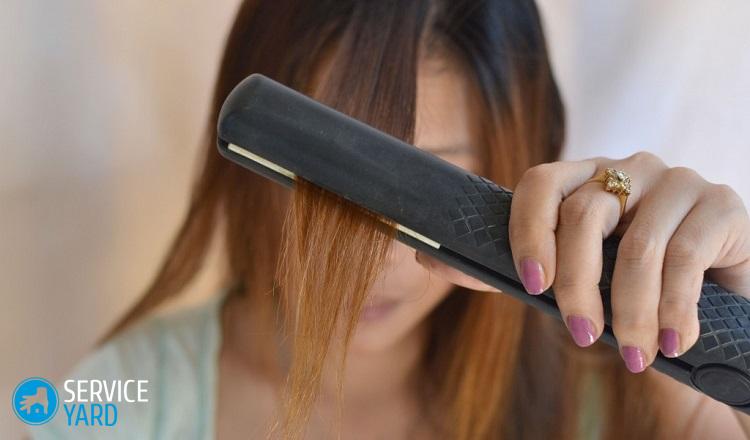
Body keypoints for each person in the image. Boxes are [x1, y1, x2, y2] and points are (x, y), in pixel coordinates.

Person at [31, 0, 750, 438]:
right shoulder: (118, 403)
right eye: (322, 183)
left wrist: (740, 327)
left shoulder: (628, 393)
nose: (368, 258)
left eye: (432, 194)